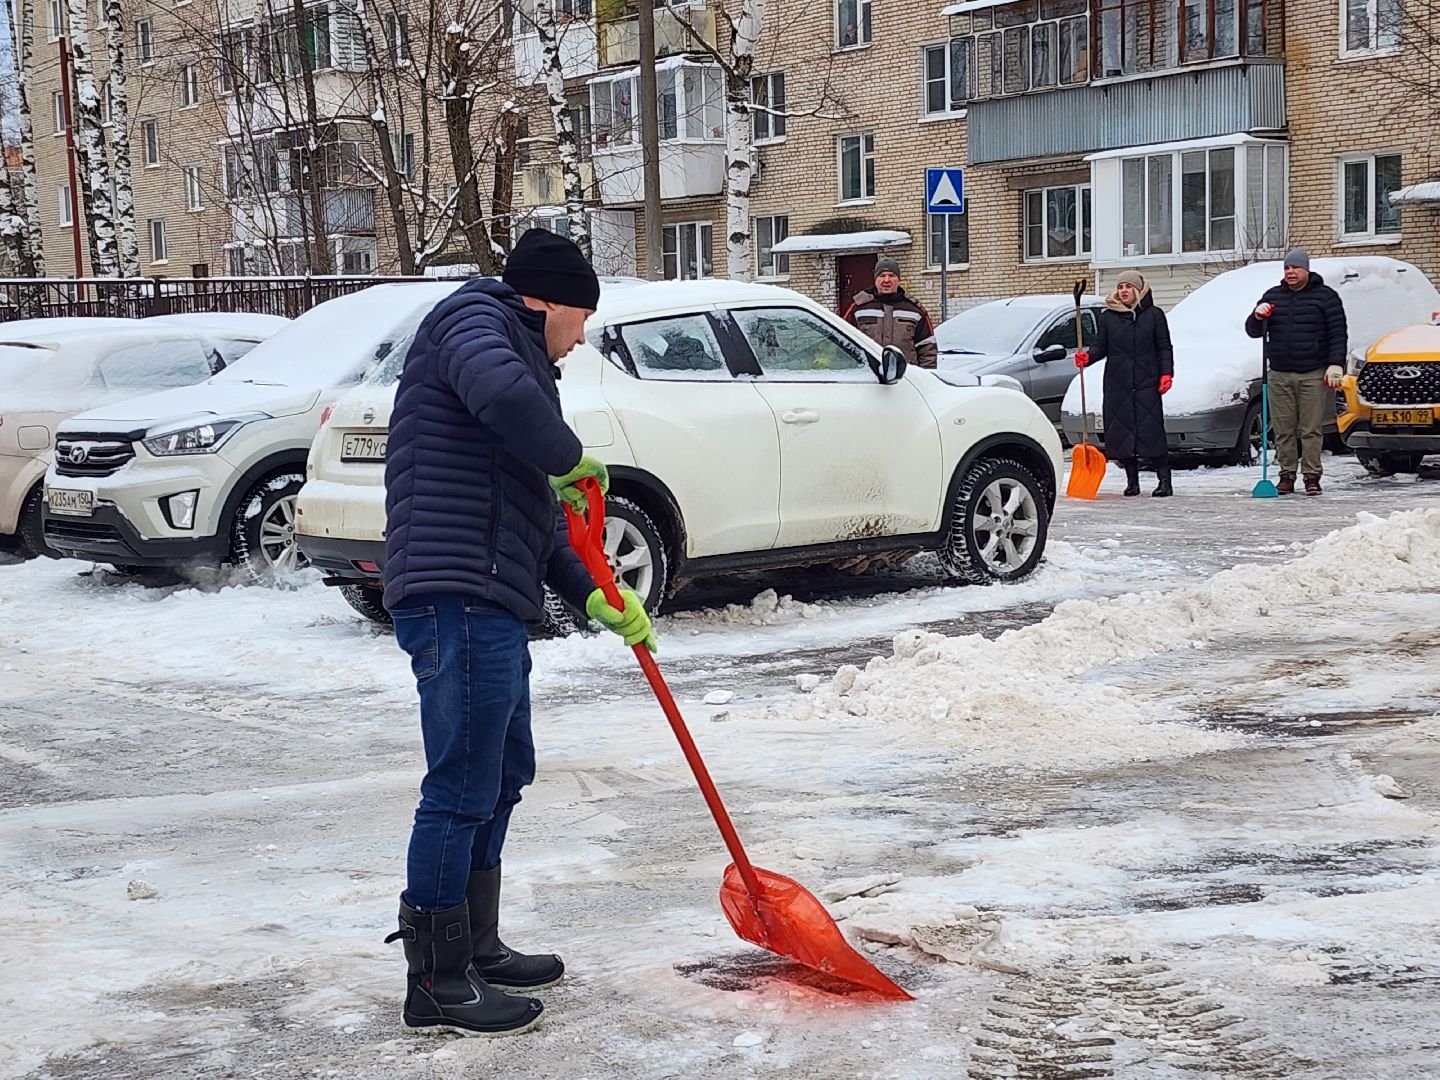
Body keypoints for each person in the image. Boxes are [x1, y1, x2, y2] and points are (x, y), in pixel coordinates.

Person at [380, 229, 656, 1038]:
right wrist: (567, 455)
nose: (582, 338)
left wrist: (593, 594)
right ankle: (435, 979)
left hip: (490, 595)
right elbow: (505, 399)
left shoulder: (517, 356)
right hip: (454, 594)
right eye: (583, 319)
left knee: (502, 774)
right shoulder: (475, 319)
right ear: (549, 301)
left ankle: (475, 946)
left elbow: (534, 516)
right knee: (461, 784)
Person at [1244, 248, 1348, 495]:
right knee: (1283, 429)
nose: (1290, 272)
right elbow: (1253, 331)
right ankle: (1287, 475)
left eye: (1295, 268)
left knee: (1310, 429)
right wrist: (1257, 316)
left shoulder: (1325, 297)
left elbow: (1338, 333)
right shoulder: (1273, 296)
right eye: (1287, 268)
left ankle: (1311, 476)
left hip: (1312, 372)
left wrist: (1335, 363)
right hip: (1279, 373)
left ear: (1306, 270)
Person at [1075, 269, 1175, 497]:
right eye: (1120, 287)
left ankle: (1165, 482)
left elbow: (1164, 347)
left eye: (1128, 286)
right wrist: (1088, 357)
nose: (1124, 291)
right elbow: (1101, 346)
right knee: (1123, 434)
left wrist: (1166, 374)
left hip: (1146, 381)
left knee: (1152, 432)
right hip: (1117, 383)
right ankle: (1132, 482)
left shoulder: (1154, 315)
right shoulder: (1109, 317)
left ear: (1139, 290)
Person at [843, 255, 938, 369]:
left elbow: (927, 348)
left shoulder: (914, 310)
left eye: (892, 276)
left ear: (899, 279)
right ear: (875, 279)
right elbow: (843, 343)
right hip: (869, 375)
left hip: (907, 376)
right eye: (882, 276)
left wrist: (925, 376)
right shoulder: (858, 309)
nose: (886, 280)